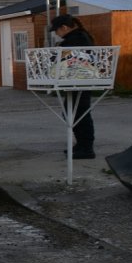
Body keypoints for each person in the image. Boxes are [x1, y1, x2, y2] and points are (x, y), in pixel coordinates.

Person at [51, 13, 96, 159]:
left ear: (64, 27)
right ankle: (82, 144)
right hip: (77, 79)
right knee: (72, 112)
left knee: (80, 113)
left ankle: (87, 148)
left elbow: (65, 57)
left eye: (56, 30)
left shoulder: (76, 38)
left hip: (81, 79)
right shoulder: (79, 36)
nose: (56, 33)